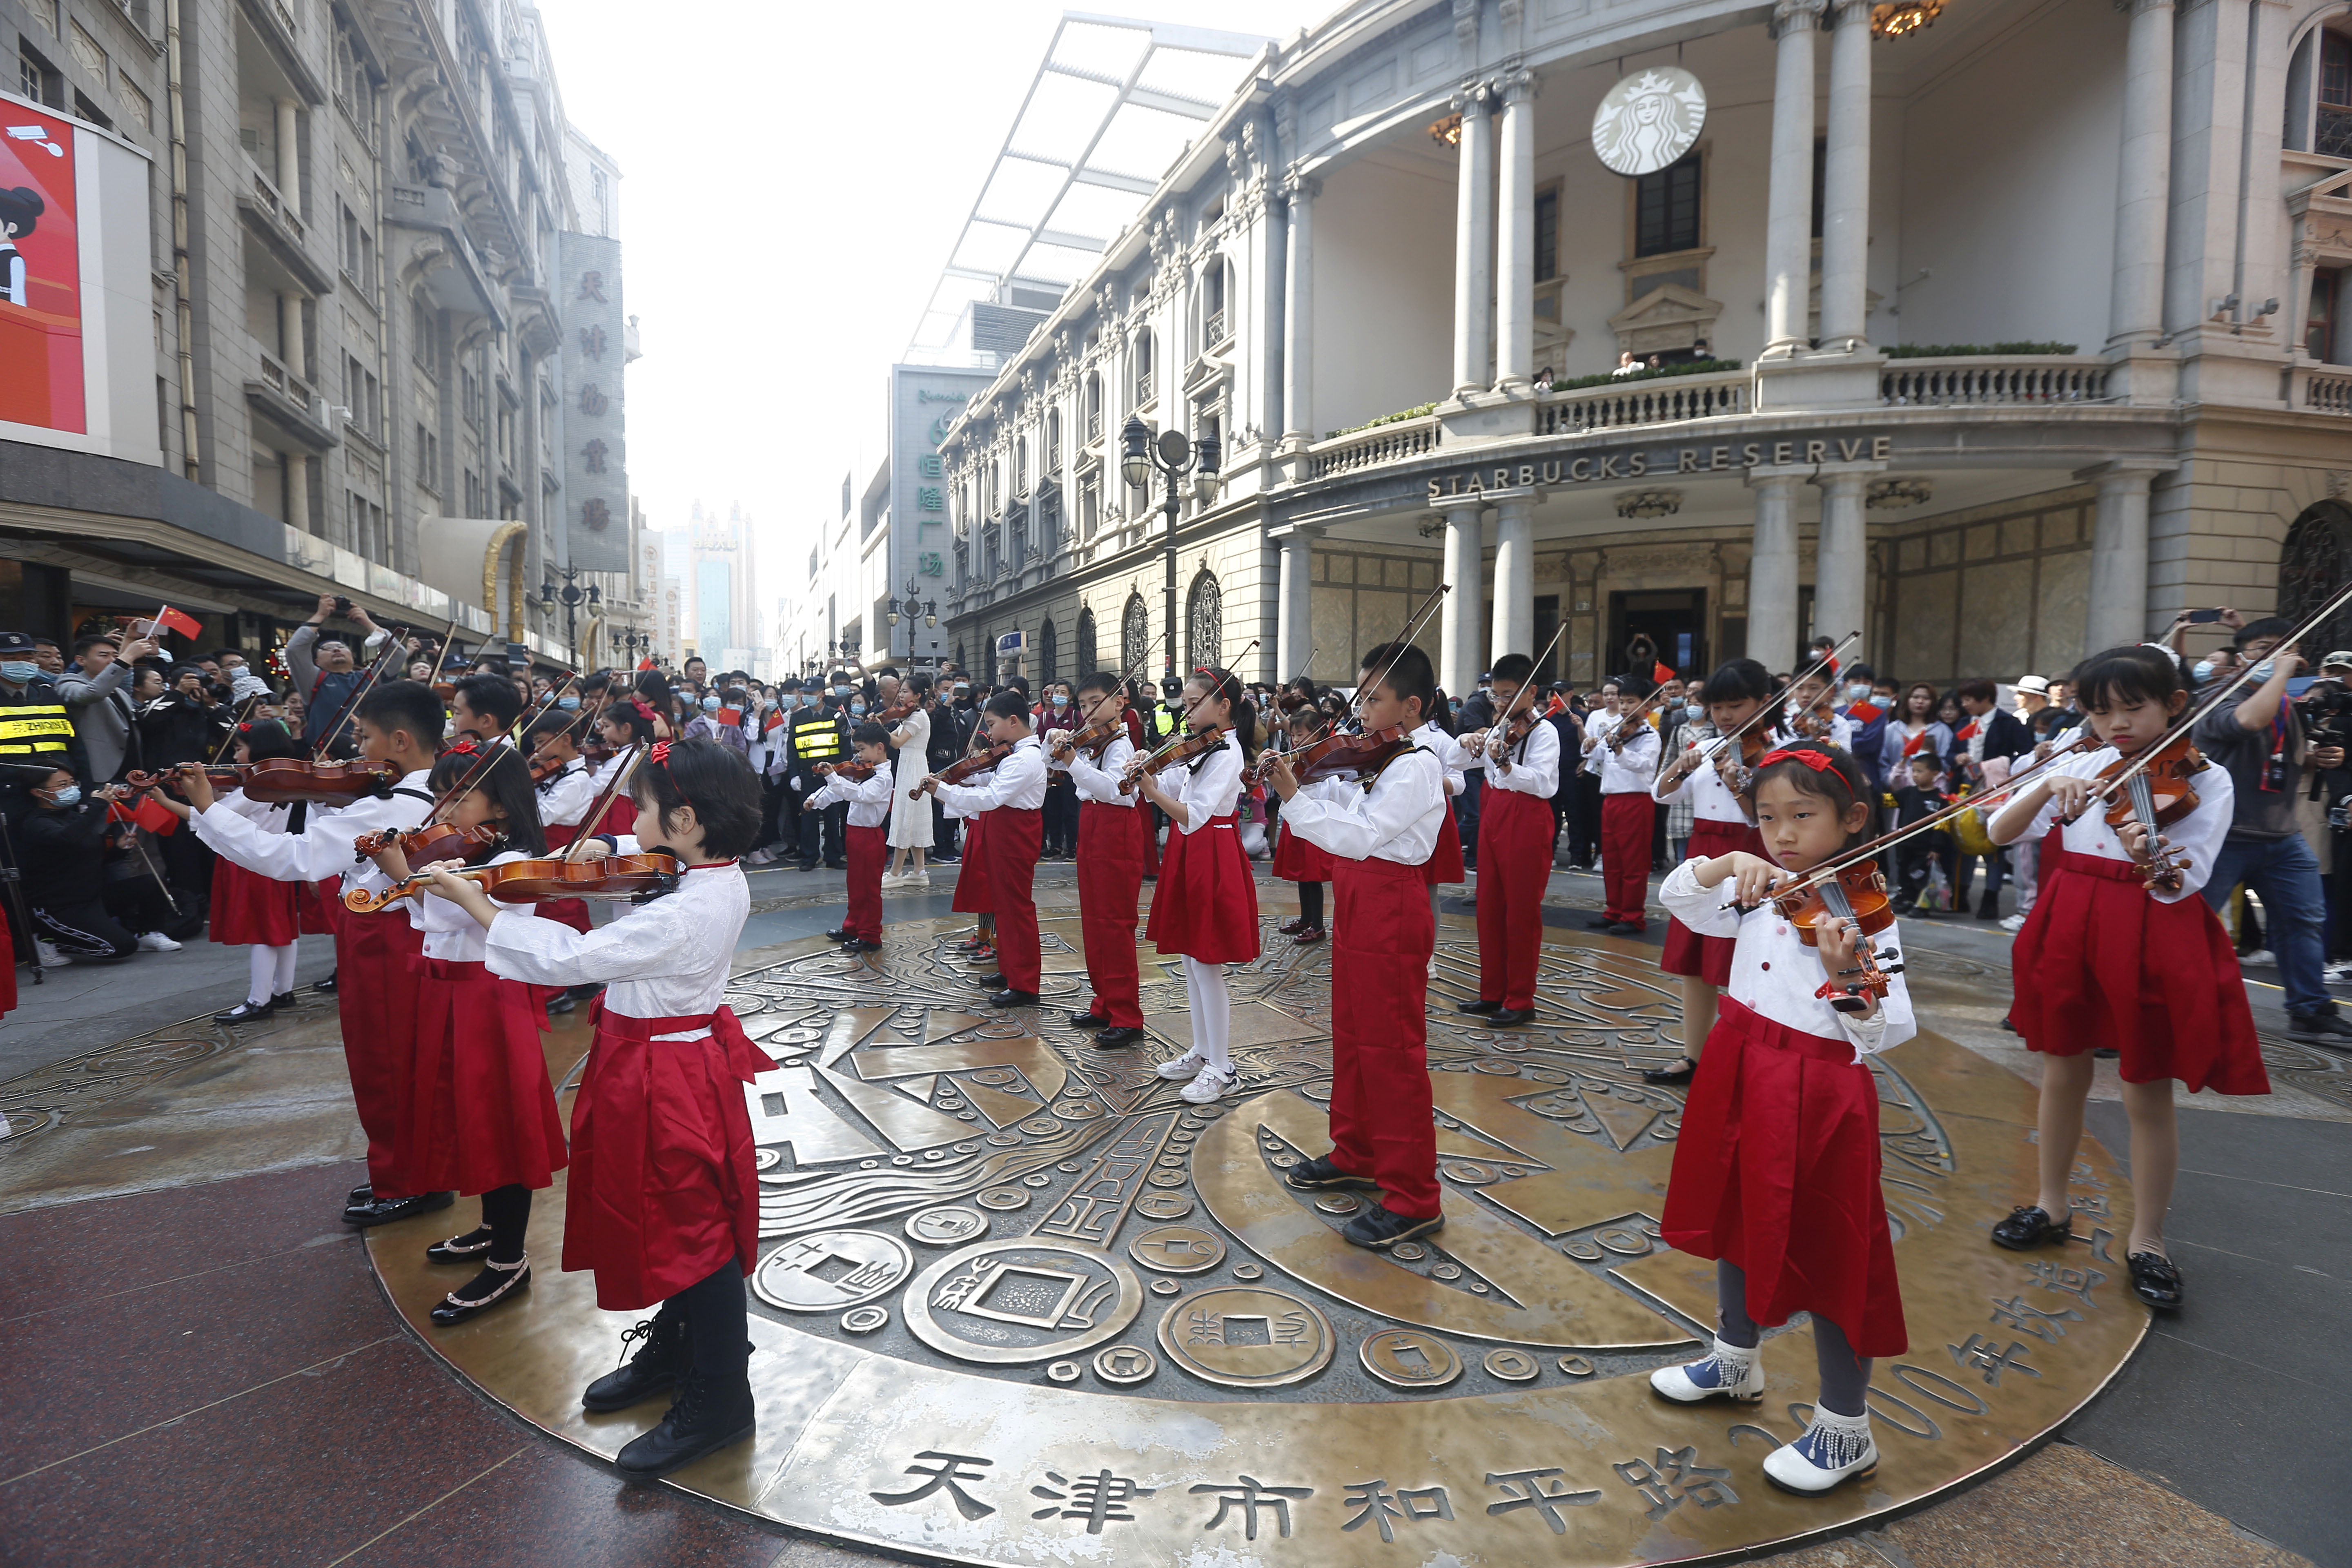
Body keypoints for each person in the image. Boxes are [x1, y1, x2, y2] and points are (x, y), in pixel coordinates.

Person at [424, 737, 767, 1478]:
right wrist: (602, 851)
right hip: (657, 1059)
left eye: (639, 810)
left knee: (695, 1228)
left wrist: (476, 902)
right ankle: (679, 1350)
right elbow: (628, 857)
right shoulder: (703, 870)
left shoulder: (684, 911)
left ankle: (721, 1396)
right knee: (673, 1216)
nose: (627, 824)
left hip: (665, 1074)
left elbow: (571, 959)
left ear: (684, 821)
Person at [1648, 742, 1912, 1497]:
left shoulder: (1862, 911)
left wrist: (1845, 976)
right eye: (1767, 819)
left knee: (1833, 1247)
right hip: (1739, 1061)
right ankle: (1735, 1357)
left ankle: (1846, 1425)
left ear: (1852, 819)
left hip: (1818, 1087)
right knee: (1733, 1208)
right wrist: (1727, 863)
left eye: (1802, 816)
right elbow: (1679, 899)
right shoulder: (1760, 885)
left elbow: (1887, 1029)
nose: (1783, 834)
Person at [1989, 645, 2270, 1310]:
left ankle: (2148, 1239)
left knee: (2146, 1087)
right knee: (2062, 1069)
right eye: (2099, 711)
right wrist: (2044, 786)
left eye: (2133, 708)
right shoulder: (2080, 762)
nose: (2116, 724)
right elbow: (1999, 832)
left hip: (2148, 927)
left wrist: (2147, 851)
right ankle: (2051, 1205)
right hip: (2070, 919)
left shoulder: (2208, 778)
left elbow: (2184, 882)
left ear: (2175, 705)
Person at [172, 680, 448, 1226]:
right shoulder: (419, 790)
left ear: (399, 741)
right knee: (398, 1061)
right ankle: (410, 1169)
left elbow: (292, 858)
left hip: (387, 942)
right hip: (393, 937)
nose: (355, 754)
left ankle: (411, 1179)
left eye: (364, 738)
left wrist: (208, 809)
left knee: (385, 1063)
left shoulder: (396, 803)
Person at [356, 743, 560, 1327]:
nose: (445, 809)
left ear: (502, 803)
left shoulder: (514, 859)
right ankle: (493, 1226)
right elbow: (418, 913)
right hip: (447, 993)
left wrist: (405, 874)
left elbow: (460, 915)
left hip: (488, 999)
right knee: (466, 1116)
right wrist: (400, 870)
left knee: (499, 1123)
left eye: (461, 795)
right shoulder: (462, 850)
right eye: (441, 795)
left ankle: (509, 1261)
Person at [1265, 642, 1448, 1249]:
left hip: (1390, 904)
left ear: (1411, 705)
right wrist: (1304, 785)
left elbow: (1366, 834)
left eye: (1374, 699)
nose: (1361, 711)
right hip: (1362, 900)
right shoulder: (1387, 758)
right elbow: (1353, 802)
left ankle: (1414, 1196)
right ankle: (1358, 1151)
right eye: (1361, 697)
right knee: (1353, 1036)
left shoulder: (1417, 764)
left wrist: (1294, 801)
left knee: (1392, 1051)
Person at [2189, 619, 2352, 1044]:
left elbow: (2283, 754)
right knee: (2189, 927)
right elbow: (2246, 722)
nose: (2279, 656)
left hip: (2282, 837)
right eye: (2265, 648)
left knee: (2304, 921)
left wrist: (2319, 758)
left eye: (2288, 649)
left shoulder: (2285, 703)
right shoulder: (2219, 696)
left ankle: (2309, 1010)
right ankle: (2161, 1005)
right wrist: (2281, 672)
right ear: (2242, 656)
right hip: (2222, 837)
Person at [1131, 666, 1261, 1102]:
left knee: (1207, 963)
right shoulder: (1201, 748)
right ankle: (1203, 1051)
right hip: (1189, 851)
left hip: (1212, 850)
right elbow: (1172, 784)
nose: (1185, 712)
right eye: (1184, 704)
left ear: (1224, 706)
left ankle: (1223, 1067)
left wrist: (1152, 791)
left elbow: (1195, 814)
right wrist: (1148, 770)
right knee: (1190, 959)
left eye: (1193, 703)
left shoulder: (1228, 752)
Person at [1646, 659, 1777, 1086]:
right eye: (1717, 707)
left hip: (1750, 856)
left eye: (1735, 706)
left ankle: (1745, 1061)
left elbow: (1763, 819)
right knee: (1695, 964)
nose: (1724, 716)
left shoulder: (1778, 754)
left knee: (1745, 963)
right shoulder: (1707, 748)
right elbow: (1662, 794)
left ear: (1764, 703)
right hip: (1705, 858)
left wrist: (1739, 785)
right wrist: (1679, 767)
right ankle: (1695, 1056)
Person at [167, 719, 311, 1021]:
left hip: (251, 862)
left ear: (258, 750)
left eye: (239, 749)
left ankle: (259, 1001)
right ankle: (282, 990)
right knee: (282, 929)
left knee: (262, 933)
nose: (234, 757)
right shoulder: (283, 780)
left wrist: (162, 801)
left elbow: (208, 817)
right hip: (277, 857)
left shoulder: (252, 789)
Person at [924, 692, 1047, 1007]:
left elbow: (992, 798)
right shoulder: (1014, 755)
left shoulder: (1024, 759)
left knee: (1016, 907)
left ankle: (1024, 983)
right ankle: (1009, 969)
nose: (989, 733)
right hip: (1005, 830)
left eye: (992, 725)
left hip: (1014, 834)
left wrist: (944, 790)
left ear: (1013, 721)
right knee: (1003, 904)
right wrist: (966, 780)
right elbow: (992, 782)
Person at [1461, 653, 1563, 1022]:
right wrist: (1467, 739)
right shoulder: (1499, 727)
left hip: (1526, 815)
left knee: (1521, 911)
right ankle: (1492, 991)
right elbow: (1462, 762)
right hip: (1494, 810)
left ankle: (1520, 999)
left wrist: (1506, 764)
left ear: (1531, 692)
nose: (1501, 703)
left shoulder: (1544, 731)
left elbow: (1542, 782)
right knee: (1489, 906)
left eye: (1508, 695)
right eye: (1496, 695)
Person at [1050, 672, 1148, 1048]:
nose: (1088, 711)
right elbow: (1054, 764)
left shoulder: (1121, 743)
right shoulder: (1093, 740)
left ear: (1119, 703)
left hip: (1115, 826)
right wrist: (1056, 742)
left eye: (1096, 702)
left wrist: (1074, 762)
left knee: (1115, 922)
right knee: (1093, 920)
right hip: (1092, 823)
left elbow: (1116, 791)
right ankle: (1105, 1001)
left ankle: (1127, 1015)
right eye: (1083, 705)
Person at [20, 770, 172, 960]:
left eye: (72, 783)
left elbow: (94, 858)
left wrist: (119, 849)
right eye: (62, 785)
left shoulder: (73, 817)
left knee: (151, 882)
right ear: (38, 792)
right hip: (62, 906)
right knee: (122, 947)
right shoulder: (36, 823)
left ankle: (148, 933)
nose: (70, 789)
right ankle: (48, 940)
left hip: (94, 897)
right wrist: (98, 805)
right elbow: (67, 838)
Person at [1581, 675, 1662, 935]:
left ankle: (1634, 916)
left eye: (1631, 702)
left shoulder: (1650, 735)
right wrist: (1589, 743)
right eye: (1623, 702)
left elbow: (1643, 765)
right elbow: (1598, 755)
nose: (1625, 707)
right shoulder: (1617, 730)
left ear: (1647, 705)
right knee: (1612, 861)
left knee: (1633, 863)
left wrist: (1619, 750)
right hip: (1612, 800)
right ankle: (1614, 910)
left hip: (1636, 801)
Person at [1947, 678, 2033, 919]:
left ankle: (1990, 897)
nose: (1964, 705)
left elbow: (2026, 755)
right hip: (1964, 789)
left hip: (1995, 791)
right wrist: (1956, 758)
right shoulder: (1963, 722)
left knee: (1993, 842)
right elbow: (1950, 752)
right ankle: (1960, 893)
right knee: (1962, 839)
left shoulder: (2008, 723)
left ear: (1985, 698)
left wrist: (1996, 766)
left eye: (1968, 700)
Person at [806, 724, 895, 953]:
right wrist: (816, 800)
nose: (859, 756)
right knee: (855, 885)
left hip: (869, 836)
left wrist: (832, 777)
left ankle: (870, 935)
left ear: (880, 748)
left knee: (868, 889)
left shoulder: (883, 778)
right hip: (855, 834)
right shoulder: (865, 771)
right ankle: (853, 927)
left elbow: (858, 794)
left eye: (862, 750)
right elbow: (840, 791)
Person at [286, 596, 393, 751]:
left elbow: (397, 653)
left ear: (352, 656)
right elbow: (294, 649)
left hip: (369, 754)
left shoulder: (372, 676)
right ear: (317, 662)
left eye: (341, 647)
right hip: (327, 757)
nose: (336, 649)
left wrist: (367, 623)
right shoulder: (313, 679)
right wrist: (320, 615)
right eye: (328, 649)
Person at [1269, 705, 1335, 945]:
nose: (1296, 740)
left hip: (1313, 818)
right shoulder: (1295, 756)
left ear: (1317, 733)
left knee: (1312, 876)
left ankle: (1318, 926)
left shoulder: (1323, 758)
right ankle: (1306, 919)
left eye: (1301, 735)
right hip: (1296, 817)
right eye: (1293, 735)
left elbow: (1325, 789)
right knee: (1302, 875)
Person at [58, 629, 160, 782]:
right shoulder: (68, 682)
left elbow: (123, 677)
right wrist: (127, 657)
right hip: (99, 775)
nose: (112, 661)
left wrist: (129, 639)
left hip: (133, 774)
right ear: (81, 661)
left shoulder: (118, 690)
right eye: (104, 656)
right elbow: (92, 693)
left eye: (115, 656)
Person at [787, 679, 850, 871]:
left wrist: (844, 772)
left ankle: (833, 856)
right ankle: (810, 857)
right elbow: (792, 748)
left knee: (832, 817)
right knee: (808, 818)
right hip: (807, 774)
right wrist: (794, 775)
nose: (807, 697)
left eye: (811, 693)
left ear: (822, 694)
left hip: (831, 774)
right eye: (805, 693)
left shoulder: (836, 715)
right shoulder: (797, 717)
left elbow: (844, 747)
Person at [883, 672, 935, 886]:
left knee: (906, 818)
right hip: (910, 766)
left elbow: (897, 743)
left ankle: (895, 874)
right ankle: (919, 871)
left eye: (905, 692)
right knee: (913, 819)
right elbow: (894, 736)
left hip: (914, 767)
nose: (901, 695)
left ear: (918, 695)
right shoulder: (910, 716)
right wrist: (878, 725)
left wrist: (879, 728)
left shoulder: (918, 717)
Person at [1037, 680, 1080, 860]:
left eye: (1063, 693)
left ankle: (1071, 846)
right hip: (1051, 770)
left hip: (1070, 770)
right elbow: (1040, 740)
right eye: (1056, 692)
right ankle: (1055, 845)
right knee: (1052, 809)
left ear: (1070, 697)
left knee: (1070, 810)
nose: (1059, 696)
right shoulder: (1044, 717)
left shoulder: (1075, 715)